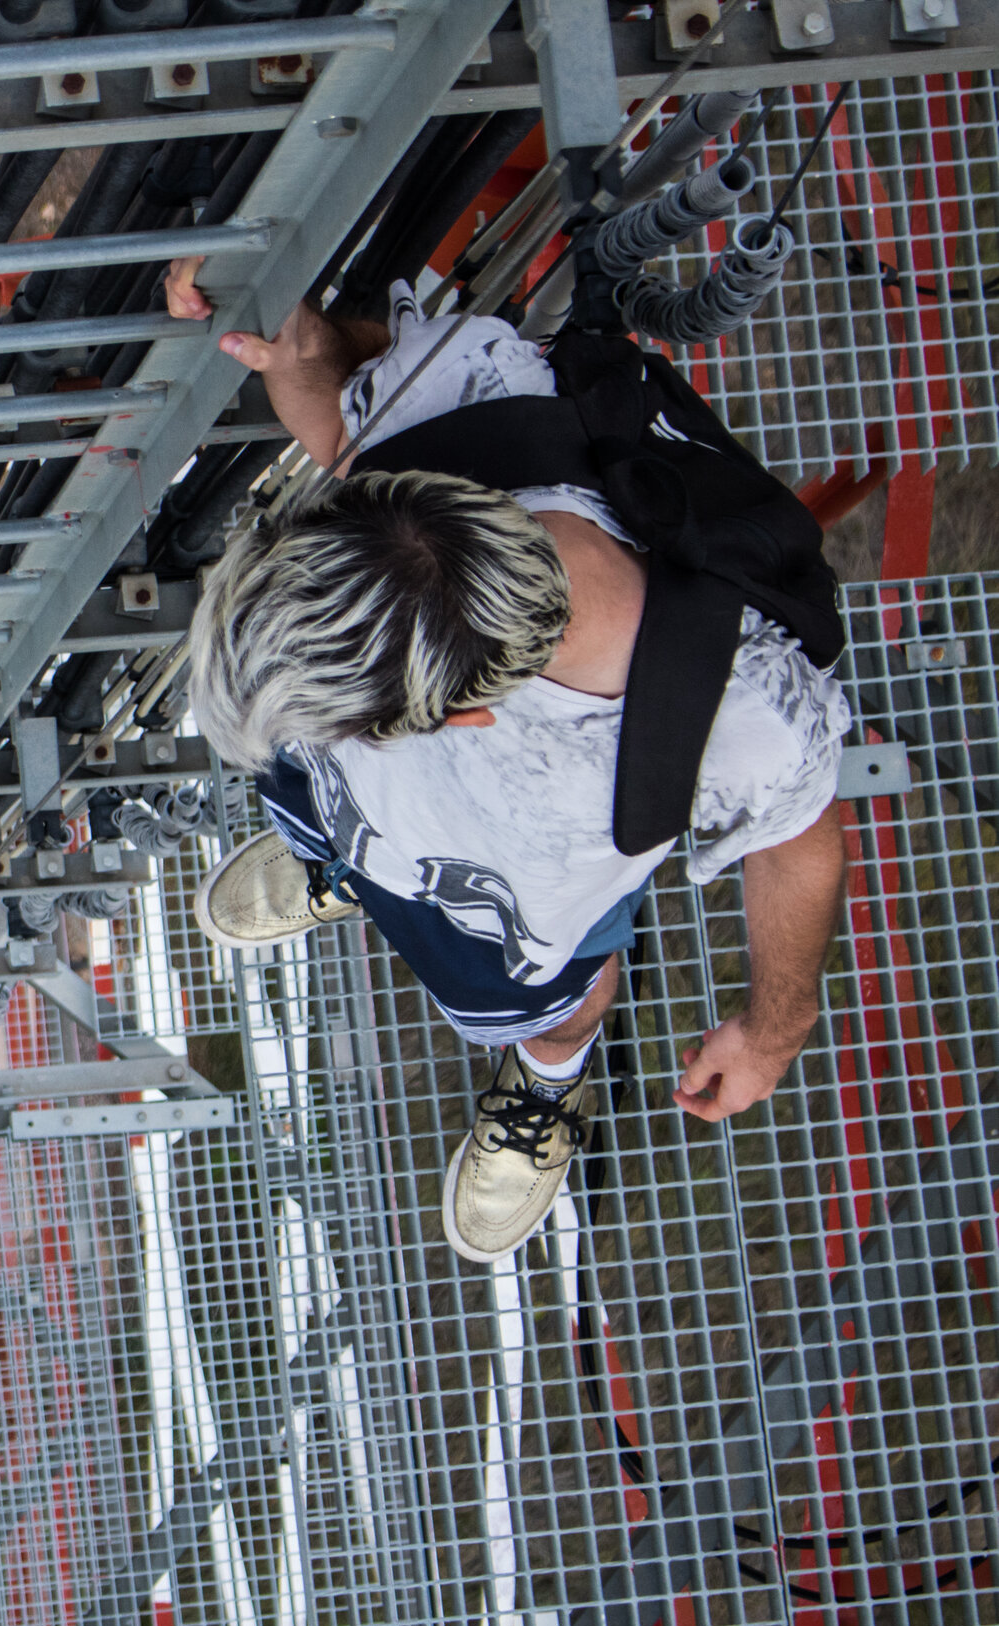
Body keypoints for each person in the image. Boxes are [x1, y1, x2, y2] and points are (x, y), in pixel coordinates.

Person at [173, 278, 849, 1264]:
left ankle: (546, 1075)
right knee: (313, 796)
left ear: (464, 715)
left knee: (559, 994)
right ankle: (343, 872)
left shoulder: (738, 718)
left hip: (511, 892)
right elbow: (337, 394)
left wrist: (775, 1023)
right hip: (384, 819)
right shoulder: (450, 403)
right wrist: (287, 334)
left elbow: (799, 846)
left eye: (359, 727)